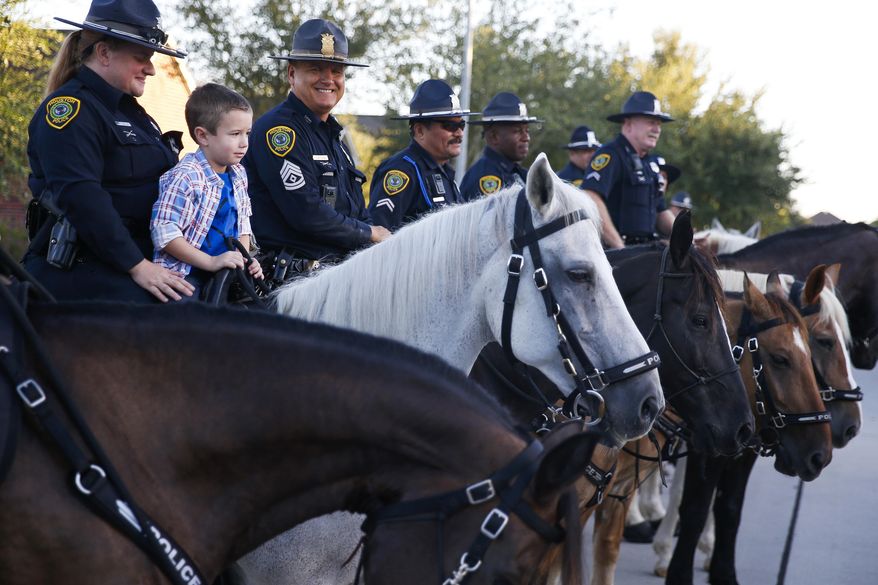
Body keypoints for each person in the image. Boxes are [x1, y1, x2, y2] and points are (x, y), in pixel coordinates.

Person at [22, 0, 195, 303]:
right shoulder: (71, 110)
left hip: (136, 261)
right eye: (142, 57)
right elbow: (81, 196)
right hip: (87, 269)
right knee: (187, 320)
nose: (151, 69)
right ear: (103, 53)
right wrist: (137, 266)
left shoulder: (133, 113)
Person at [242, 19, 389, 282]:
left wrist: (373, 233)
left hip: (335, 278)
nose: (328, 80)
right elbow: (306, 214)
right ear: (291, 74)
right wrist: (370, 233)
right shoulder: (280, 131)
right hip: (289, 285)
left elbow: (355, 209)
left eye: (337, 72)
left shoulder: (335, 137)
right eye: (316, 69)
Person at [151, 83, 263, 298]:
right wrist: (211, 262)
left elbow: (243, 226)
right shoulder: (186, 176)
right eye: (235, 134)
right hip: (186, 276)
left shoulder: (238, 173)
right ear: (203, 136)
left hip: (225, 274)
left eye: (247, 133)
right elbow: (164, 233)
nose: (244, 143)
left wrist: (246, 259)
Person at [368, 79, 478, 230]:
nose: (459, 133)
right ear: (420, 131)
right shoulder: (402, 171)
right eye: (450, 125)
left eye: (461, 124)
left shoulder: (443, 170)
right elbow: (379, 236)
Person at [580, 91, 676, 248]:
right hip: (613, 255)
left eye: (659, 124)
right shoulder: (611, 155)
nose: (657, 129)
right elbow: (591, 197)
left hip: (643, 252)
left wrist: (687, 238)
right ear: (629, 124)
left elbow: (660, 211)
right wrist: (620, 247)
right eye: (651, 122)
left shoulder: (649, 165)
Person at [459, 92, 541, 200]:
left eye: (527, 131)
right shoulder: (485, 177)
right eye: (518, 131)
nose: (526, 138)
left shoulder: (520, 173)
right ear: (494, 137)